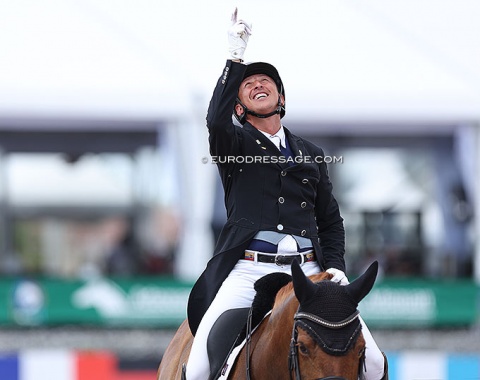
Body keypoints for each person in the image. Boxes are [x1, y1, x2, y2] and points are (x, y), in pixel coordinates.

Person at [185, 8, 387, 380]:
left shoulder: (311, 153)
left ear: (280, 96)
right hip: (248, 270)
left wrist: (337, 269)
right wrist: (235, 57)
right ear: (239, 105)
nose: (258, 83)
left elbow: (329, 220)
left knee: (374, 365)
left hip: (310, 274)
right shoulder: (234, 143)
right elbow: (214, 120)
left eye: (266, 81)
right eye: (249, 84)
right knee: (197, 369)